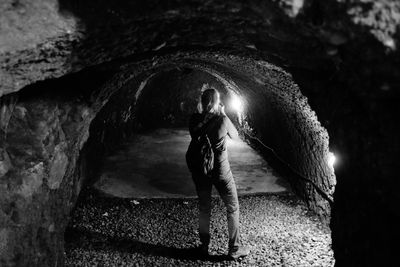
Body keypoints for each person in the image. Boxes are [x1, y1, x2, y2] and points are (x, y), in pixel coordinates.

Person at [187, 87, 250, 260]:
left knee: (204, 208)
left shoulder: (194, 120)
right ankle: (234, 248)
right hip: (221, 171)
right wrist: (223, 113)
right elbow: (236, 137)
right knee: (232, 206)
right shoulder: (222, 120)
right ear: (217, 102)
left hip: (201, 170)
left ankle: (204, 247)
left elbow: (194, 134)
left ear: (202, 101)